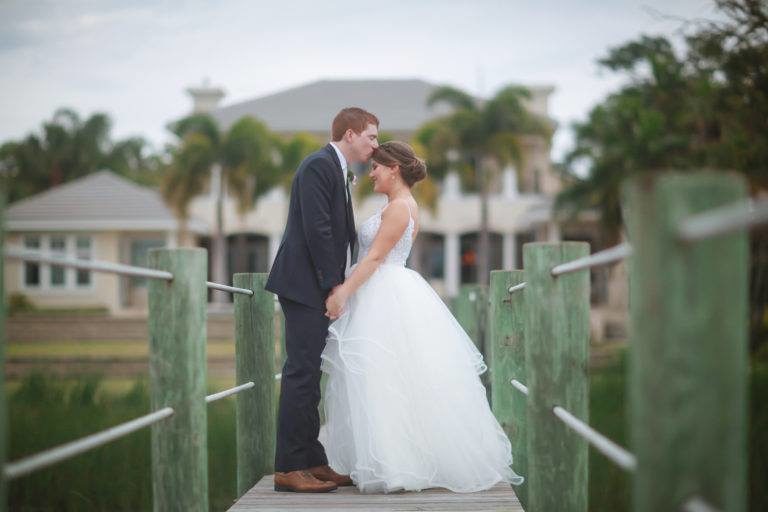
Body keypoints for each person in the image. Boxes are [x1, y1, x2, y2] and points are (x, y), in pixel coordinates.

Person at [319, 141, 524, 493]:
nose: (372, 174)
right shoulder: (396, 205)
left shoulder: (400, 208)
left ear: (394, 168)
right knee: (380, 378)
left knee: (385, 377)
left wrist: (343, 293)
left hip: (384, 294)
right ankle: (383, 458)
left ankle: (398, 465)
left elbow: (374, 259)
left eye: (377, 168)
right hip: (381, 291)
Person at [265, 107, 379, 493]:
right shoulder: (318, 165)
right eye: (371, 137)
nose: (375, 145)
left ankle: (312, 459)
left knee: (310, 375)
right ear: (350, 134)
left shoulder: (336, 170)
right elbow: (318, 230)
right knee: (301, 374)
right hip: (304, 286)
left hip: (314, 285)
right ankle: (289, 468)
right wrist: (335, 286)